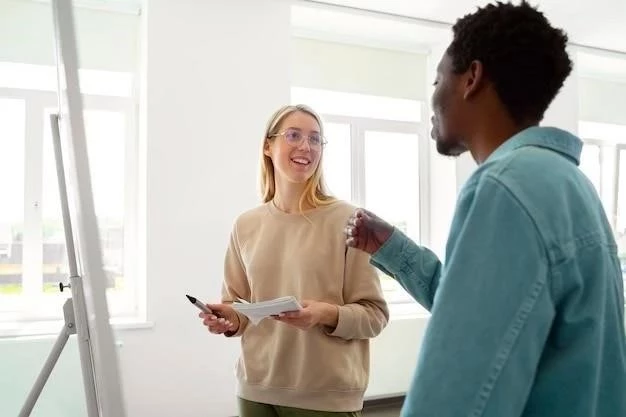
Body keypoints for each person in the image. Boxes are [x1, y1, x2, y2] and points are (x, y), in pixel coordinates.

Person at [345, 2, 626, 417]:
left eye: (438, 78)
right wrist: (394, 249)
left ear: (471, 79)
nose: (433, 97)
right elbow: (497, 319)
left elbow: (456, 396)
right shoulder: (567, 183)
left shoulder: (504, 187)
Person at [199, 104, 389, 417]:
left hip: (325, 397)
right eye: (294, 135)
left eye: (316, 139)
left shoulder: (351, 221)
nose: (306, 146)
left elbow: (375, 316)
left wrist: (324, 314)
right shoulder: (245, 224)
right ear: (268, 145)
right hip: (255, 390)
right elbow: (239, 308)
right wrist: (227, 319)